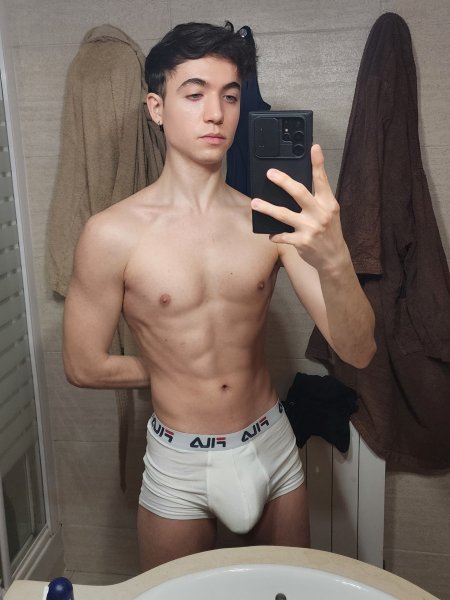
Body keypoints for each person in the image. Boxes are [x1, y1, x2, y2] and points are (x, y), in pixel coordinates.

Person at [63, 22, 376, 571]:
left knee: (288, 592)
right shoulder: (111, 234)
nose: (216, 113)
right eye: (195, 94)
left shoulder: (271, 221)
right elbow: (83, 365)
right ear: (156, 107)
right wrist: (174, 371)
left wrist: (335, 258)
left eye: (230, 96)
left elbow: (359, 350)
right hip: (179, 465)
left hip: (271, 447)